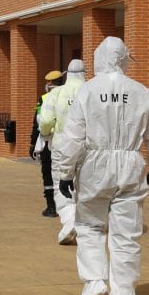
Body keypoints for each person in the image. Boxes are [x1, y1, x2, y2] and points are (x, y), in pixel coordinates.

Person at [53, 37, 149, 295]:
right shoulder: (140, 92)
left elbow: (74, 136)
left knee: (89, 226)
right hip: (130, 165)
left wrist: (66, 171)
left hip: (94, 166)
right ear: (125, 58)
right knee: (126, 234)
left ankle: (95, 282)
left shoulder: (89, 91)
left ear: (99, 58)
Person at [38, 59, 86, 245]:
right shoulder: (92, 91)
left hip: (61, 148)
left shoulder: (55, 94)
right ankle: (86, 225)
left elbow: (46, 121)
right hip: (88, 149)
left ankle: (69, 223)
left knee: (62, 187)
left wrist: (44, 133)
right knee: (84, 187)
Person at [29, 70, 63, 217]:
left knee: (48, 173)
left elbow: (38, 122)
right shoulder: (69, 96)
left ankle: (51, 206)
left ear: (50, 83)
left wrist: (32, 144)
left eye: (49, 82)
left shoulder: (44, 99)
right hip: (66, 142)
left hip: (48, 142)